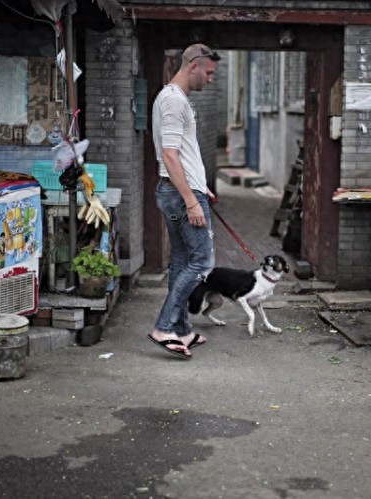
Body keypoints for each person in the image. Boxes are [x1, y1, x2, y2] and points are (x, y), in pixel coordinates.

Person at [147, 43, 221, 359]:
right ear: (192, 66)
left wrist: (200, 188)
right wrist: (192, 200)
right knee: (202, 262)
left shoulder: (175, 99)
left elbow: (182, 156)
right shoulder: (173, 102)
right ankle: (164, 326)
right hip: (180, 195)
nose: (211, 79)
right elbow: (169, 155)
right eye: (209, 72)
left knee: (181, 260)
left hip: (183, 190)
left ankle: (181, 329)